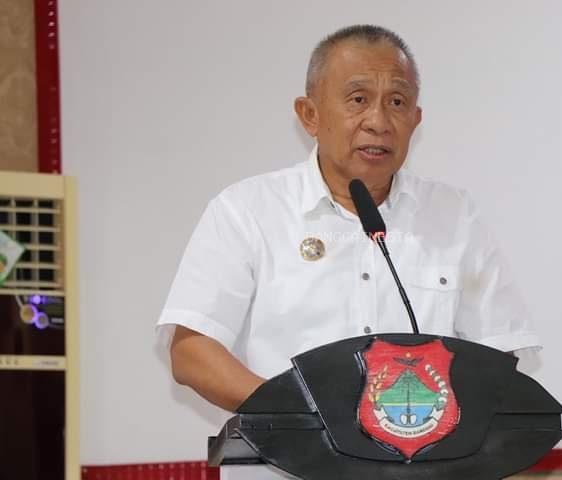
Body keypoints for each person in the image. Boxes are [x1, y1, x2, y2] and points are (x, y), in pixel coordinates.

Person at [157, 24, 540, 479]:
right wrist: (304, 417)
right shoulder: (247, 210)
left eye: (396, 102)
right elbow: (193, 351)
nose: (378, 120)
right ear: (310, 115)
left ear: (416, 120)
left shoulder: (454, 216)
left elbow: (500, 357)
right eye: (358, 99)